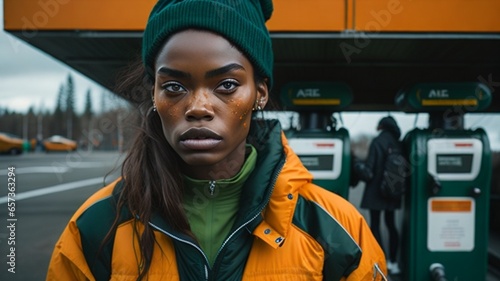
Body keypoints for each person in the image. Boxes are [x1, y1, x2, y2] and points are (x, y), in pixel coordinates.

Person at [46, 0, 387, 280]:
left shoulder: (335, 228)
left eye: (226, 85)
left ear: (260, 93)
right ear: (153, 95)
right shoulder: (95, 228)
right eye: (174, 87)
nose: (197, 108)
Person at [355, 116, 403, 275]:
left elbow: (369, 172)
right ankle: (394, 262)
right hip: (393, 190)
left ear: (381, 126)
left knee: (375, 225)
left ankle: (379, 259)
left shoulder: (378, 142)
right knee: (391, 224)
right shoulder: (398, 143)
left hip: (376, 192)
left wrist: (356, 167)